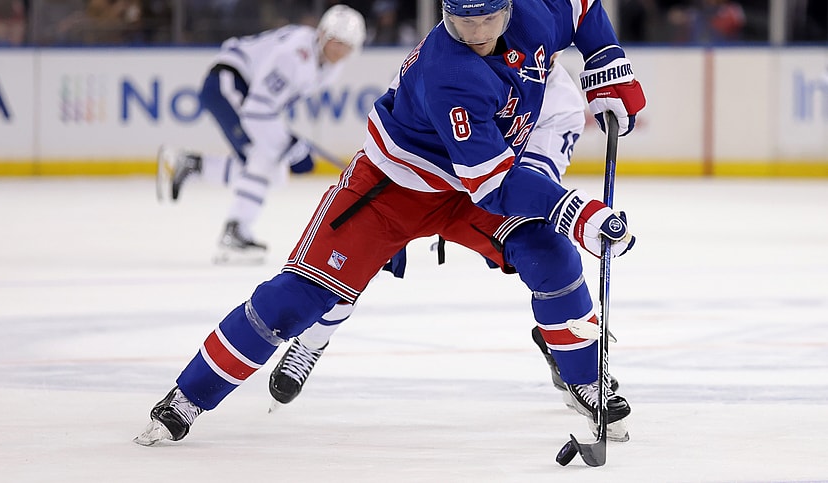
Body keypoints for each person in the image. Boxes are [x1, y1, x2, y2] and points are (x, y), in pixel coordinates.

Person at [135, 0, 646, 447]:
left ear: (512, 7)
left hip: (471, 183)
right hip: (393, 188)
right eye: (462, 21)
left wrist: (606, 61)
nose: (476, 33)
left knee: (550, 254)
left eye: (489, 18)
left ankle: (587, 382)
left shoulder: (540, 12)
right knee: (297, 298)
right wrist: (577, 211)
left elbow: (582, 7)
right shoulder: (452, 71)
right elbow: (494, 185)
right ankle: (189, 396)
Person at [265, 58, 621, 414]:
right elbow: (401, 126)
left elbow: (536, 178)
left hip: (484, 198)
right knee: (348, 265)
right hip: (413, 185)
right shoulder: (450, 56)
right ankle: (313, 339)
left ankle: (565, 348)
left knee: (546, 253)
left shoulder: (561, 102)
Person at [155, 4, 367, 263]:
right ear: (322, 34)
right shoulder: (295, 55)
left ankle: (194, 166)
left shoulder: (329, 67)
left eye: (347, 46)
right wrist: (289, 143)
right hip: (228, 83)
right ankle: (236, 230)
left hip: (248, 92)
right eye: (336, 42)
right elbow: (257, 110)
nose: (340, 51)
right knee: (263, 159)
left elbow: (267, 106)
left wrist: (289, 144)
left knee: (273, 172)